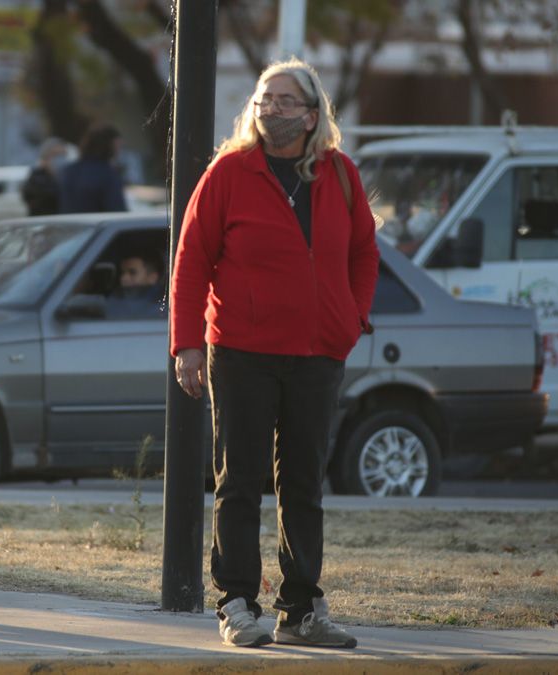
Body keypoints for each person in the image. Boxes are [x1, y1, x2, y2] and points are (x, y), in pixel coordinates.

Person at [169, 58, 380, 649]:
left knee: (305, 483)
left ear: (313, 115)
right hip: (241, 351)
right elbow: (191, 261)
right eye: (264, 100)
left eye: (286, 101)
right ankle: (237, 603)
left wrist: (353, 316)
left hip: (317, 354)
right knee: (239, 480)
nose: (272, 110)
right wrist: (186, 344)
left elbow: (365, 251)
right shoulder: (229, 173)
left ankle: (301, 610)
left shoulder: (339, 175)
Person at [59, 123, 127, 214]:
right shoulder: (107, 174)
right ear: (110, 145)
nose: (119, 151)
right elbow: (117, 211)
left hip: (70, 226)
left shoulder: (68, 171)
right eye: (118, 146)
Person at [22, 138, 69, 216]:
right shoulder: (36, 179)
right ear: (44, 159)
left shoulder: (69, 177)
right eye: (55, 155)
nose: (60, 160)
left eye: (62, 155)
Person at [108, 252, 164, 317]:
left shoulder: (162, 306)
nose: (123, 278)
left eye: (132, 272)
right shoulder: (117, 298)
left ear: (152, 278)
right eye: (122, 272)